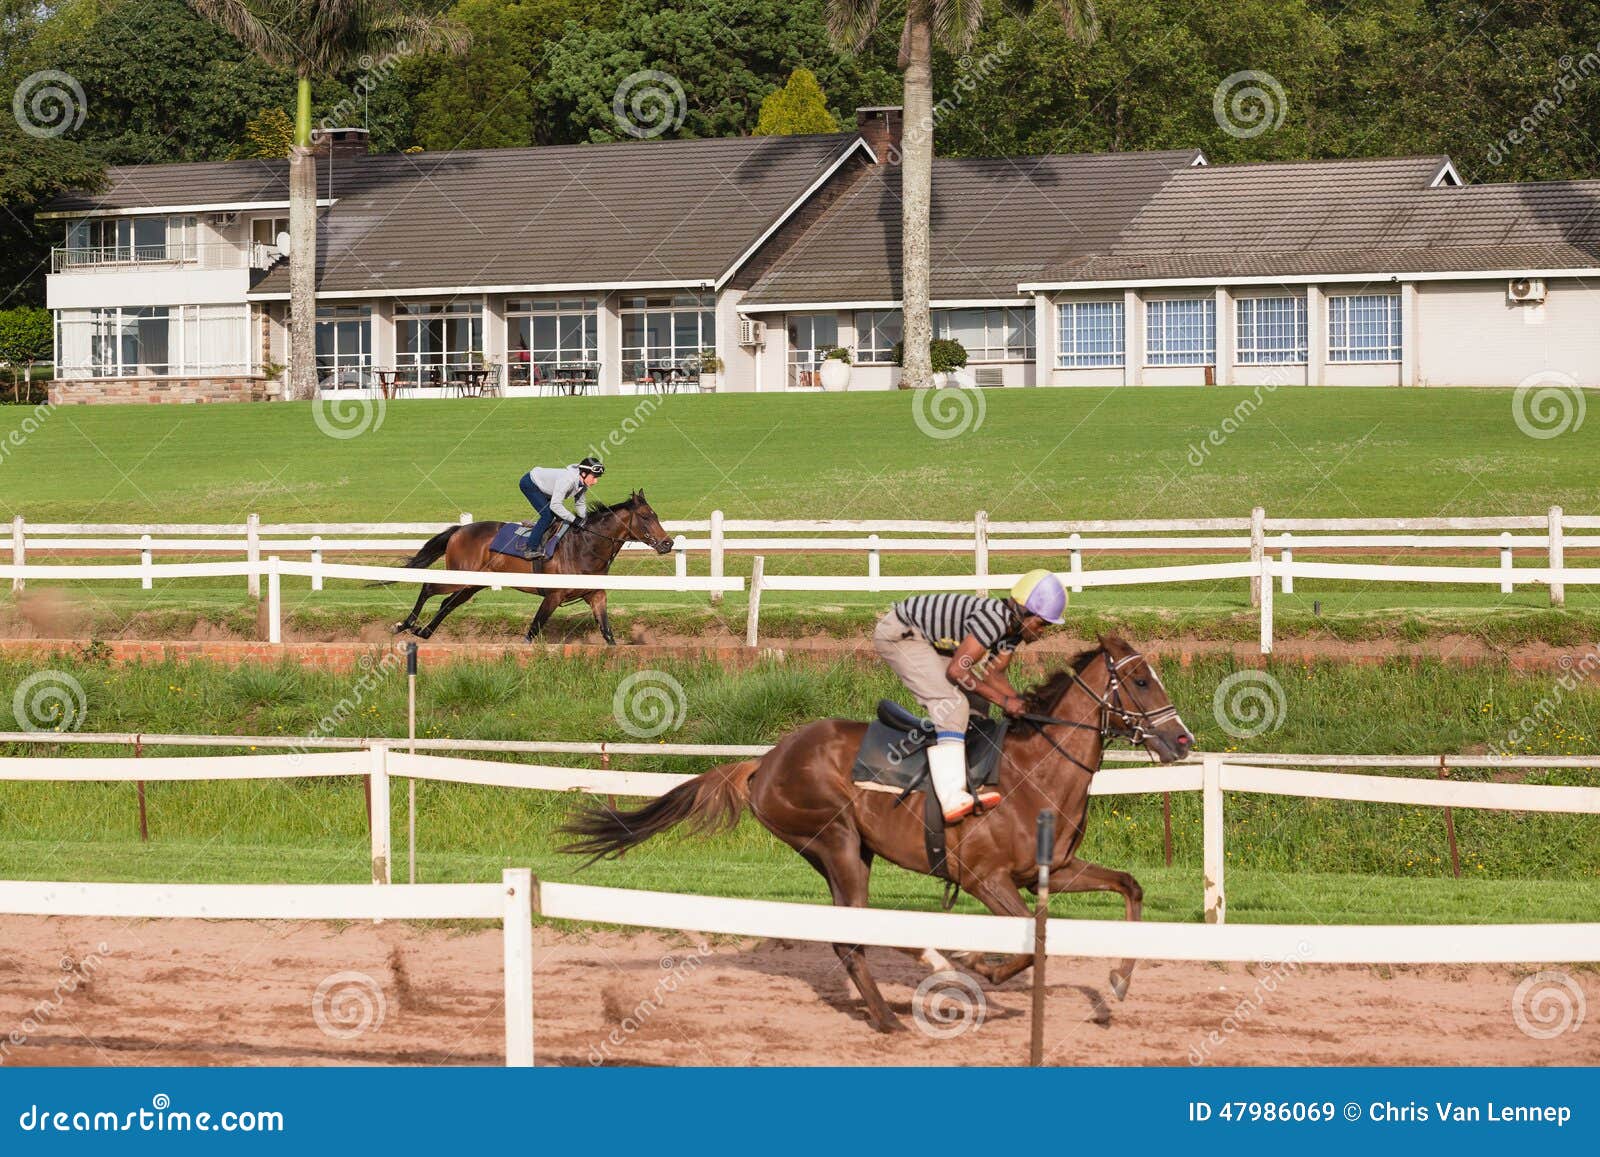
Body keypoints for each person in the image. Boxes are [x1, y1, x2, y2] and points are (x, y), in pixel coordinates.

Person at [872, 569, 1068, 823]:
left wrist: (1029, 707)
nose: (1042, 631)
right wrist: (1006, 702)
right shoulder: (995, 620)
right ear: (1023, 611)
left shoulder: (1012, 632)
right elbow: (957, 670)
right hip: (900, 635)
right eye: (1042, 623)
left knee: (977, 702)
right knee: (952, 705)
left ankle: (967, 774)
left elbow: (994, 677)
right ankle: (952, 797)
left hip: (930, 641)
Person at [519, 456, 604, 559]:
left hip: (546, 488)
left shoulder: (582, 482)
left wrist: (584, 519)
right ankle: (530, 549)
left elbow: (580, 503)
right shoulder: (568, 480)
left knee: (557, 516)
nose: (595, 481)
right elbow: (555, 505)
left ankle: (539, 529)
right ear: (584, 473)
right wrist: (575, 520)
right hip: (530, 484)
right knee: (547, 516)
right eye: (594, 477)